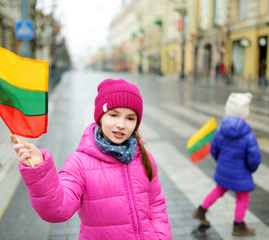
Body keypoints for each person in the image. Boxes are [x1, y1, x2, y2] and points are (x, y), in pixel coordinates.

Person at [11, 78, 172, 239]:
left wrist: (161, 237)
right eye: (113, 115)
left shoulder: (144, 158)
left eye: (130, 118)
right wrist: (40, 171)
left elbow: (156, 205)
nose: (121, 124)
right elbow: (57, 211)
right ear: (100, 117)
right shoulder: (79, 163)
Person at [192, 92, 262, 236]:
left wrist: (222, 162)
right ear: (245, 114)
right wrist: (250, 169)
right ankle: (238, 226)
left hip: (223, 171)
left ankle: (201, 210)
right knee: (243, 198)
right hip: (241, 174)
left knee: (218, 190)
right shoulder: (248, 134)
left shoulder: (220, 131)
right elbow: (254, 158)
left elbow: (213, 149)